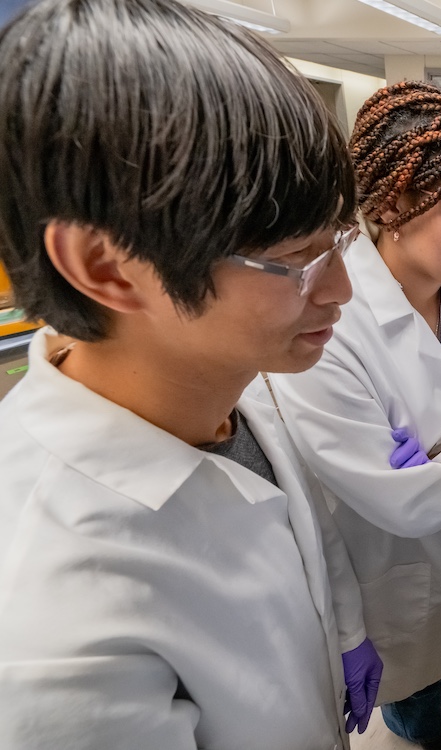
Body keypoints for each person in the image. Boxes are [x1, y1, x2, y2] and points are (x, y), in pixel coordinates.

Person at [0, 1, 382, 748]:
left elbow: (294, 521)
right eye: (296, 258)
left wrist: (344, 630)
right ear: (107, 267)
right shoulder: (50, 629)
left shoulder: (223, 374)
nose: (341, 289)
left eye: (338, 240)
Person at [268, 81, 441, 750]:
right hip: (394, 567)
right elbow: (407, 504)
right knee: (414, 683)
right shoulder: (328, 327)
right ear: (395, 202)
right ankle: (421, 728)